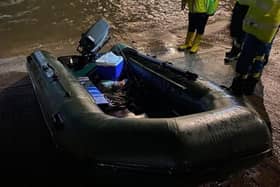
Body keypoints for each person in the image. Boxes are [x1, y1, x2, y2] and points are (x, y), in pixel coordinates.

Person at [230, 0, 280, 95]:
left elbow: (243, 1)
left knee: (246, 55)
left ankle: (238, 86)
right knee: (260, 57)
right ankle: (250, 86)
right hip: (268, 30)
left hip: (255, 26)